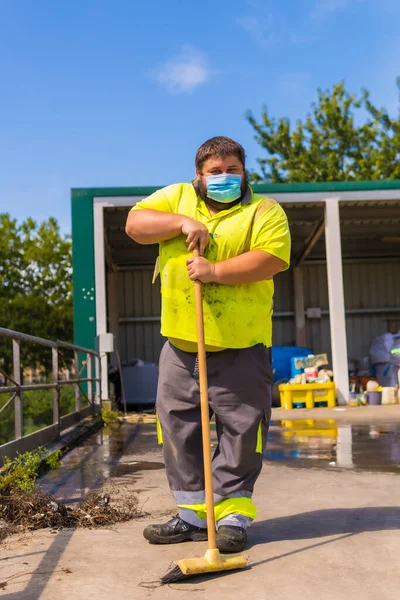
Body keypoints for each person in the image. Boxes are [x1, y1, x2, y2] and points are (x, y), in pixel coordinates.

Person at [125, 136, 291, 553]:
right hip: (180, 345)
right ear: (198, 176)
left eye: (232, 169)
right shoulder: (176, 197)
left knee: (241, 429)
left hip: (241, 345)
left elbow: (272, 258)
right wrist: (182, 224)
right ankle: (192, 514)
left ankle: (232, 516)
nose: (224, 177)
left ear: (244, 172)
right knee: (177, 427)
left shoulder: (264, 211)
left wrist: (214, 270)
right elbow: (135, 224)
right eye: (215, 171)